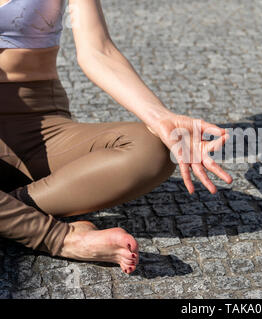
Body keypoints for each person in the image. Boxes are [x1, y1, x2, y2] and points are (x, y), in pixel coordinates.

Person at [0, 0, 232, 274]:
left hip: (44, 128)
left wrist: (159, 117)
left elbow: (99, 51)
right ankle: (63, 239)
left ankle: (12, 212)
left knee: (153, 150)